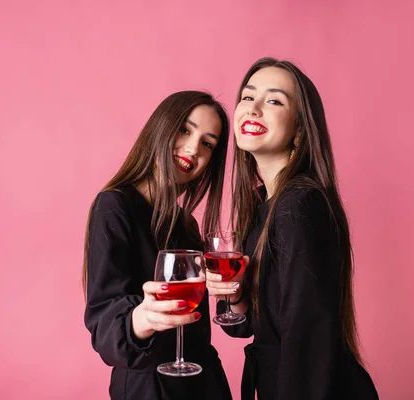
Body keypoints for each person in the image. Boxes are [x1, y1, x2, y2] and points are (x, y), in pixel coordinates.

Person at [206, 58, 379, 399]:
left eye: (273, 101)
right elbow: (250, 327)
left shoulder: (300, 203)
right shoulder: (262, 206)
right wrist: (237, 296)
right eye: (247, 97)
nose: (252, 109)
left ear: (300, 129)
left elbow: (308, 337)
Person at [83, 91, 233, 400]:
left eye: (207, 143)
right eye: (185, 129)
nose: (193, 149)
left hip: (204, 383)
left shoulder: (186, 225)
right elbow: (105, 321)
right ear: (161, 127)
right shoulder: (114, 206)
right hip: (149, 388)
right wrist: (145, 317)